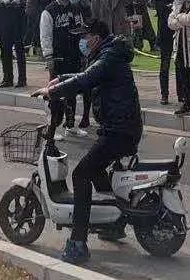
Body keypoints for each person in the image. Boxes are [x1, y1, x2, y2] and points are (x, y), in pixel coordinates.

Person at [35, 19, 142, 265]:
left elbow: (85, 79)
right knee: (95, 169)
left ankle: (78, 243)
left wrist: (53, 91)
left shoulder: (109, 57)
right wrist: (60, 78)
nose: (82, 41)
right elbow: (86, 76)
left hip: (119, 131)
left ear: (96, 38)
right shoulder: (109, 54)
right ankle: (113, 223)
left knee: (82, 173)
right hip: (119, 129)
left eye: (85, 37)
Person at [40, 0, 88, 137]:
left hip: (74, 56)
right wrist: (48, 56)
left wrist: (84, 51)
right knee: (55, 93)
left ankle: (71, 124)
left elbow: (82, 30)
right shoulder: (49, 11)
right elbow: (45, 36)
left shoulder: (75, 9)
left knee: (72, 92)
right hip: (57, 57)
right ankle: (52, 128)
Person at [0, 0, 28, 87]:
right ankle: (7, 78)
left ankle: (22, 79)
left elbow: (20, 0)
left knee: (19, 50)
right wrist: (5, 0)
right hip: (5, 20)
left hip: (18, 20)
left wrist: (8, 0)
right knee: (5, 50)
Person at [153, 0, 181, 105]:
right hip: (164, 32)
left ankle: (181, 93)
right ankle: (164, 94)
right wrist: (171, 8)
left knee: (180, 65)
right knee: (165, 65)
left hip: (177, 32)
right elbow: (159, 9)